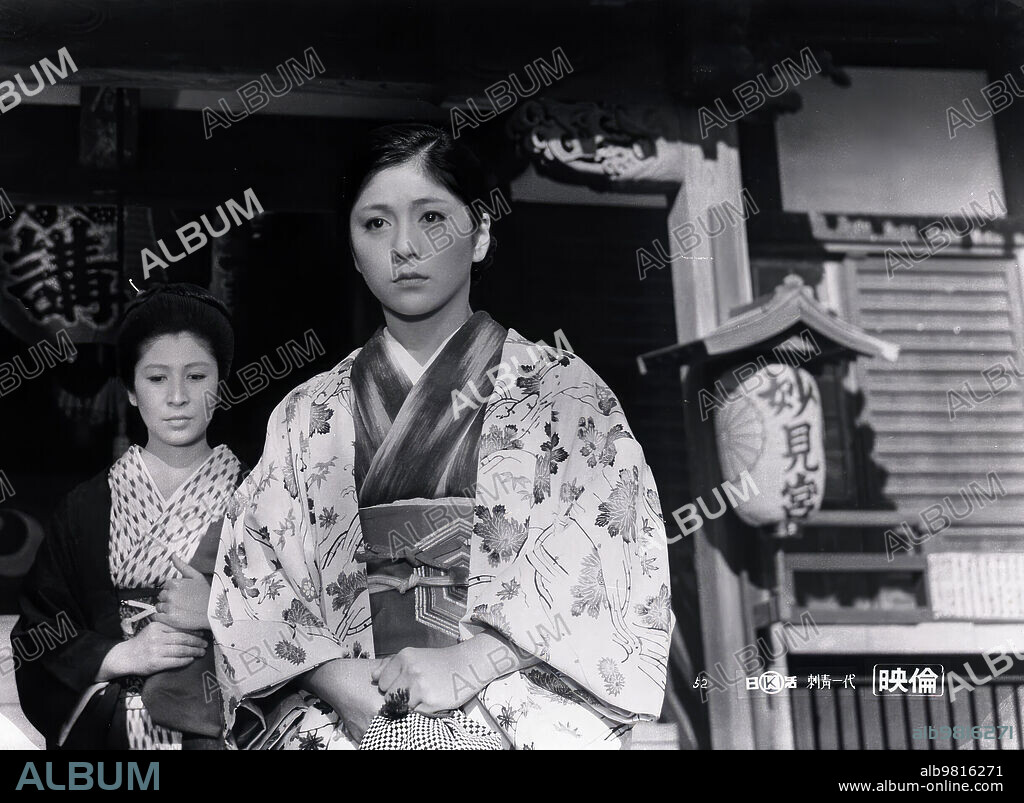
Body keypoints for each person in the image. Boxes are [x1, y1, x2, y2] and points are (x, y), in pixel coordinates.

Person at [210, 123, 674, 750]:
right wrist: (329, 673)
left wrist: (472, 662)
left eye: (432, 217)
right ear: (350, 247)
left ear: (481, 233)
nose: (404, 246)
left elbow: (615, 560)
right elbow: (253, 577)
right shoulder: (307, 411)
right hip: (351, 709)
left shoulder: (561, 393)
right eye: (374, 223)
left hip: (511, 704)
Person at [13, 283, 246, 749]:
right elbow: (39, 632)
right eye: (157, 379)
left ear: (220, 384)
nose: (177, 397)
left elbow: (307, 614)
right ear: (132, 392)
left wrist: (222, 609)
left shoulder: (258, 497)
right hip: (111, 722)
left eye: (197, 377)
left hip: (226, 722)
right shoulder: (86, 506)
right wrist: (119, 655)